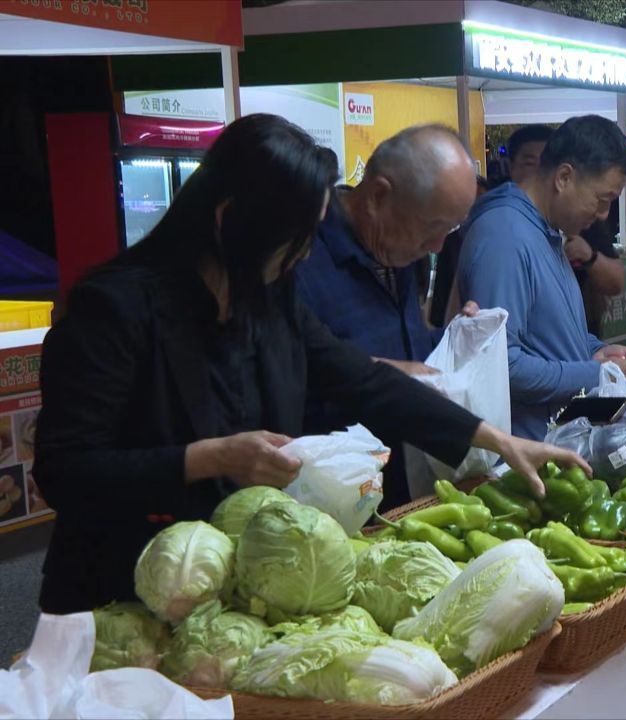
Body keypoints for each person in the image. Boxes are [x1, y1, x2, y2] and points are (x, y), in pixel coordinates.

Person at [33, 114, 586, 614]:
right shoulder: (115, 309)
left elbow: (361, 379)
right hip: (124, 590)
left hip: (233, 585)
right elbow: (66, 471)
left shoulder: (268, 300)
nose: (304, 253)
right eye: (296, 238)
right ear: (231, 219)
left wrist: (494, 439)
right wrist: (206, 458)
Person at [294, 124, 480, 509]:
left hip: (406, 482)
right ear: (379, 195)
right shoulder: (300, 256)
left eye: (451, 229)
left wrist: (454, 337)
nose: (437, 246)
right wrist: (385, 371)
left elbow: (405, 344)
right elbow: (296, 371)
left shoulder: (397, 250)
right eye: (432, 227)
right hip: (332, 496)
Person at [456, 115, 626, 440]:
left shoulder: (547, 231)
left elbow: (551, 335)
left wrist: (599, 351)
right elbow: (502, 365)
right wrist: (595, 373)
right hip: (525, 453)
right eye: (602, 200)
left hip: (561, 441)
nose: (603, 215)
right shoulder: (506, 235)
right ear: (564, 177)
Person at [496, 124, 625, 338]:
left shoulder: (571, 223)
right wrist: (587, 369)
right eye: (530, 162)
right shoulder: (506, 232)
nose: (602, 214)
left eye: (545, 161)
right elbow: (504, 353)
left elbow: (616, 282)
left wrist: (595, 354)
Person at [429, 175, 491, 329]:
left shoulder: (497, 242)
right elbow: (439, 302)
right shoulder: (450, 241)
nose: (475, 209)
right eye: (471, 203)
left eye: (481, 202)